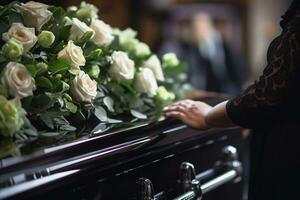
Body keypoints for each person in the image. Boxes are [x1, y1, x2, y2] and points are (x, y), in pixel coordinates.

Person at [164, 1, 300, 200]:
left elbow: (269, 93)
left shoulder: (223, 47)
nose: (200, 29)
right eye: (196, 24)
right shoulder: (183, 47)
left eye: (204, 24)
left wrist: (209, 116)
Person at [181, 12, 245, 95]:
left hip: (223, 88)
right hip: (202, 90)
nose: (200, 31)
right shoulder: (190, 48)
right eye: (197, 28)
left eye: (202, 27)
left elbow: (234, 69)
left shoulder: (221, 44)